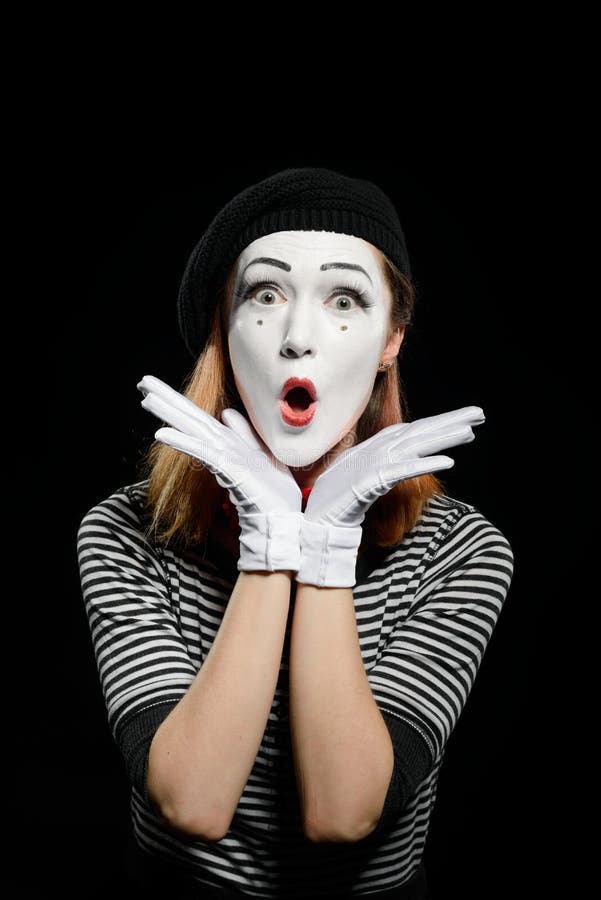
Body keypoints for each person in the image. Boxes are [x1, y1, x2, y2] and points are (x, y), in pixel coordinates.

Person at [77, 167, 514, 899]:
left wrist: (325, 548)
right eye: (265, 294)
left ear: (390, 341)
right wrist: (272, 541)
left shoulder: (463, 550)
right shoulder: (123, 530)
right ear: (224, 328)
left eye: (344, 299)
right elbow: (190, 804)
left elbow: (344, 815)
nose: (296, 339)